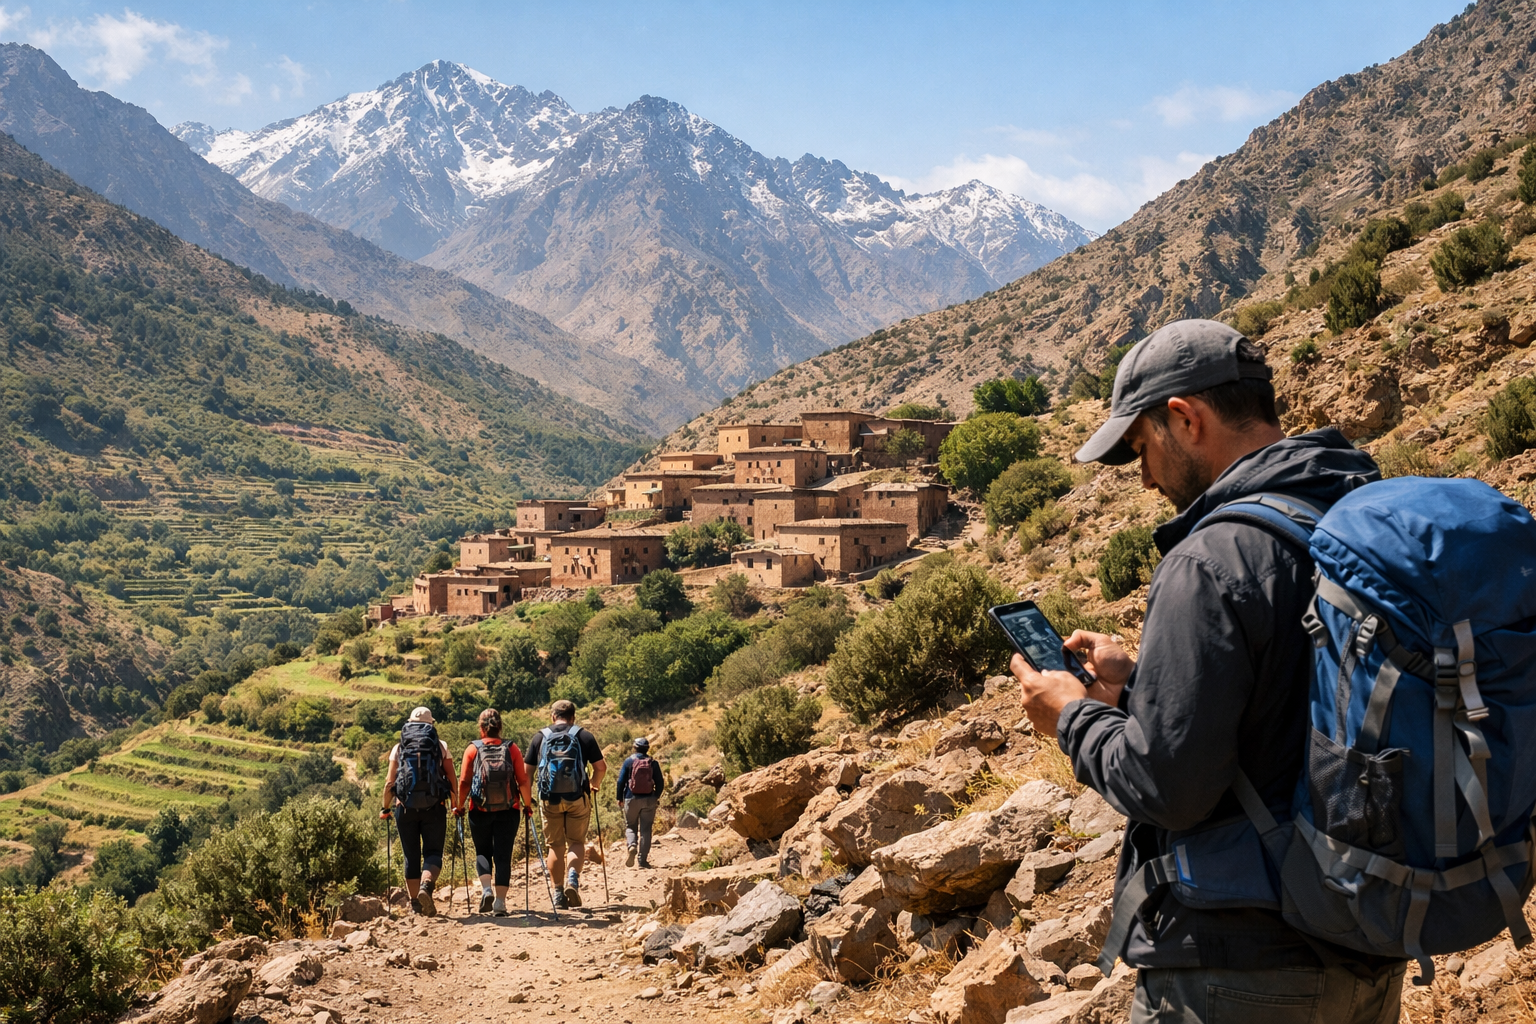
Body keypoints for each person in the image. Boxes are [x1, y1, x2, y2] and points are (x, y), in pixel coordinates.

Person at [1011, 319, 1404, 1024]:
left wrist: (1070, 715)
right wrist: (1137, 687)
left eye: (1141, 449)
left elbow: (1168, 788)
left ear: (1184, 419)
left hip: (1242, 968)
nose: (1143, 476)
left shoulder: (1211, 558)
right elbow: (1294, 707)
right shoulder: (1348, 512)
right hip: (1365, 942)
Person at [525, 699, 606, 909]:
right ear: (573, 717)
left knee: (555, 846)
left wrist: (527, 798)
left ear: (553, 716)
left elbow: (526, 773)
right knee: (576, 842)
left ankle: (558, 893)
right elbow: (601, 767)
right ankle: (573, 879)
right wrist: (593, 784)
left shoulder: (540, 737)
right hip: (578, 797)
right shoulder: (583, 736)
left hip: (549, 800)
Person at [455, 708, 533, 917]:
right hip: (509, 809)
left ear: (481, 728)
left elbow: (464, 781)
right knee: (503, 854)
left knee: (482, 851)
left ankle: (486, 889)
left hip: (478, 809)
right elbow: (523, 780)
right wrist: (527, 804)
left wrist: (459, 805)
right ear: (500, 726)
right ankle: (500, 903)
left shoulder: (472, 749)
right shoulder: (512, 748)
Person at [381, 706, 456, 916]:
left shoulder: (399, 748)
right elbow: (451, 778)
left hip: (404, 807)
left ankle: (415, 904)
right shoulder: (441, 747)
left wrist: (385, 807)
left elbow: (389, 782)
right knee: (433, 852)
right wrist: (456, 804)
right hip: (435, 807)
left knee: (410, 856)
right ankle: (426, 886)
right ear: (431, 725)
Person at [615, 737, 662, 868]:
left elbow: (620, 781)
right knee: (646, 829)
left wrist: (620, 798)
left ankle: (632, 846)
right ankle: (643, 860)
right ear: (647, 749)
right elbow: (660, 782)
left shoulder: (629, 761)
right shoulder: (653, 763)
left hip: (631, 798)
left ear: (634, 748)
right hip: (648, 799)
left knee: (630, 826)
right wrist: (655, 796)